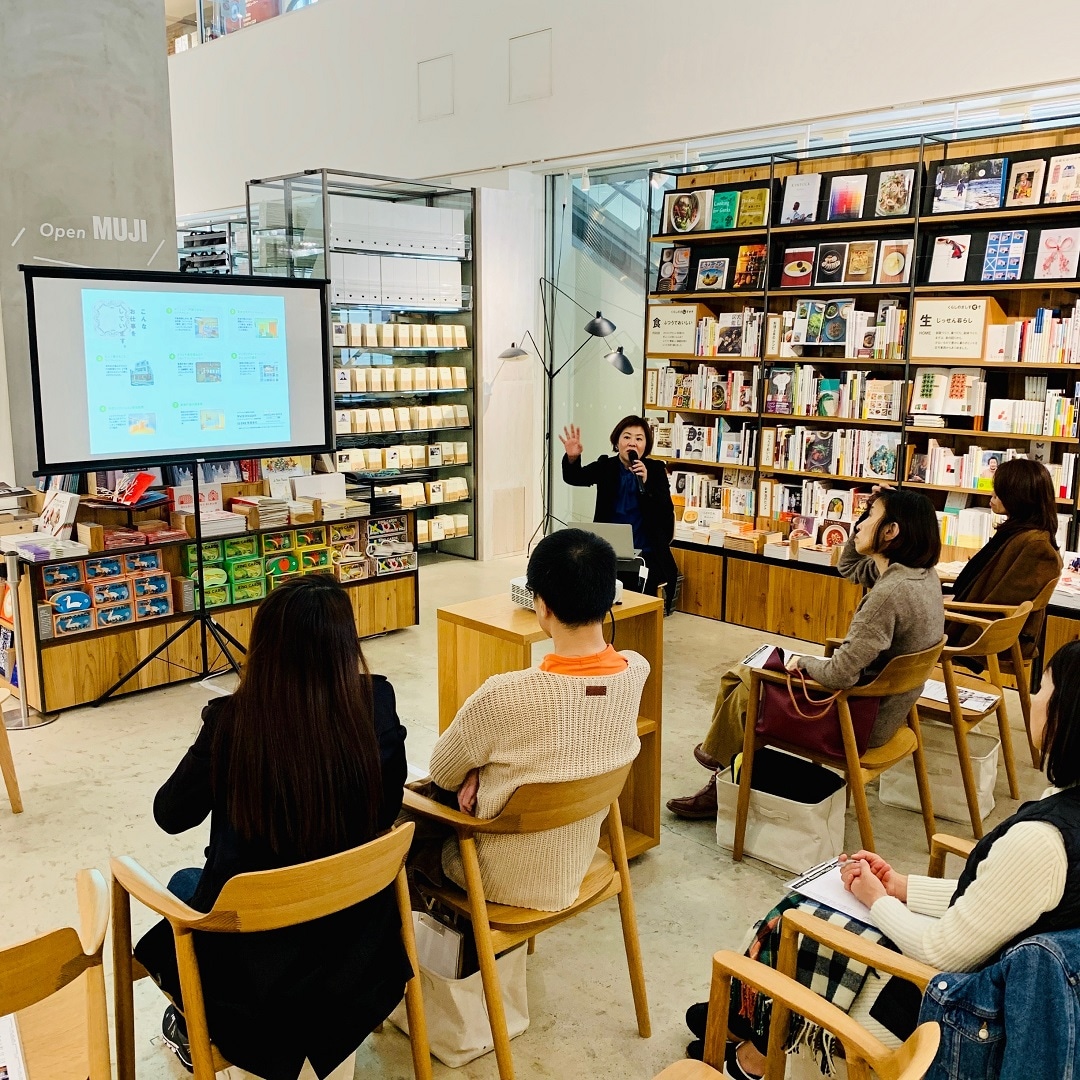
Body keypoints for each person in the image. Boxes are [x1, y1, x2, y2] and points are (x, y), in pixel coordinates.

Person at [685, 638, 1080, 1079]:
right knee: (821, 908)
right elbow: (1003, 899)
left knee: (800, 919)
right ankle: (745, 1019)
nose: (1032, 699)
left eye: (1043, 688)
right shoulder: (1062, 823)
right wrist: (902, 887)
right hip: (1005, 985)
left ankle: (754, 1049)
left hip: (955, 1014)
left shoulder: (1040, 842)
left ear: (1068, 714)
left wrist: (878, 899)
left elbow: (942, 951)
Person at [135, 575, 410, 1080]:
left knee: (183, 884)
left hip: (254, 963)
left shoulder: (232, 721)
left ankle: (195, 1026)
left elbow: (170, 815)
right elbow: (388, 807)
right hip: (354, 940)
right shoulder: (376, 702)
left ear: (263, 647)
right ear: (346, 643)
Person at [667, 488, 944, 819]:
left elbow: (840, 674)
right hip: (887, 710)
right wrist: (869, 514)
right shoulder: (919, 576)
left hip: (857, 720)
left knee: (747, 686)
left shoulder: (888, 595)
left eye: (869, 516)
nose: (859, 524)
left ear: (891, 531)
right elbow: (849, 565)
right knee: (740, 674)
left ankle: (721, 771)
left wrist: (805, 662)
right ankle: (720, 760)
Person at [426, 528, 648, 911]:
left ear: (542, 606)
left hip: (494, 877)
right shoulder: (636, 671)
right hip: (580, 863)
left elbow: (443, 773)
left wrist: (478, 770)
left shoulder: (505, 694)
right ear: (609, 597)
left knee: (409, 833)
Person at [948, 457, 1063, 662]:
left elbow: (1003, 606)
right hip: (967, 618)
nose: (992, 495)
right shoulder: (1017, 534)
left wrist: (950, 608)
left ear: (1018, 496)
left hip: (983, 636)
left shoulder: (1035, 546)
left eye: (999, 491)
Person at [560, 416, 679, 613]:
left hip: (646, 552)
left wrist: (647, 482)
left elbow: (665, 512)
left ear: (646, 445)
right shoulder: (606, 466)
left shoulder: (656, 470)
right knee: (590, 589)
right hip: (607, 551)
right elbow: (575, 477)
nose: (632, 443)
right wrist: (572, 458)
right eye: (627, 437)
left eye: (639, 439)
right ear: (617, 442)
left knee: (640, 603)